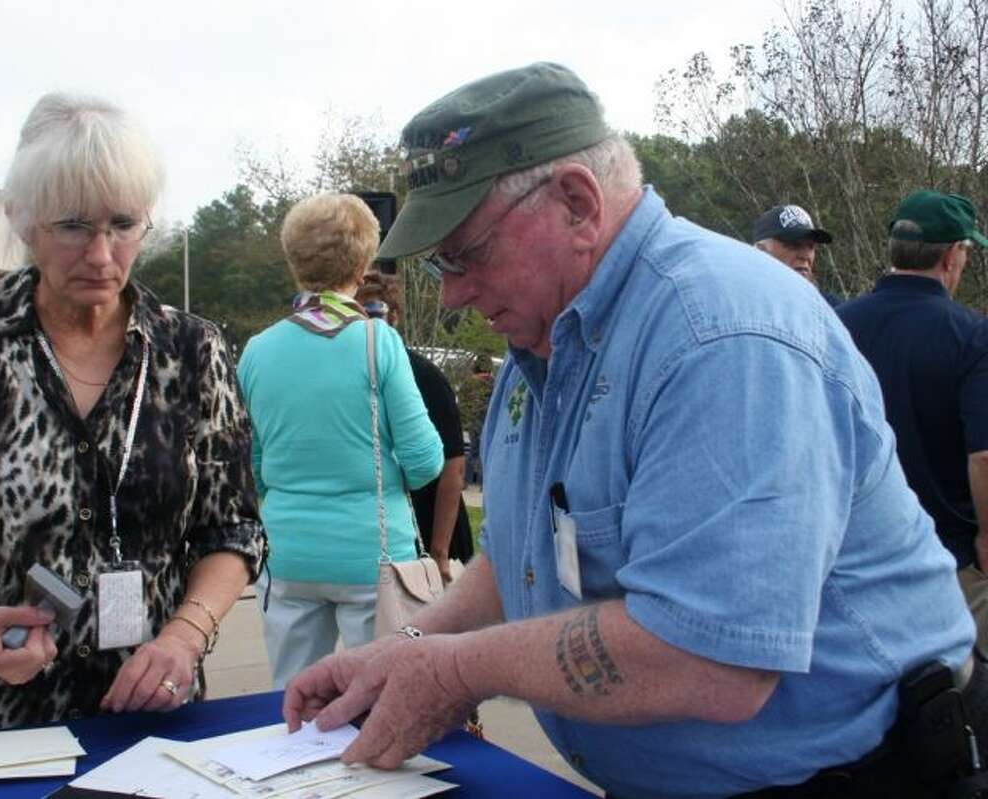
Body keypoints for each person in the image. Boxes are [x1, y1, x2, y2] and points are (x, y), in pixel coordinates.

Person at [283, 63, 978, 798]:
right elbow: (519, 551)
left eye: (467, 254)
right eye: (438, 268)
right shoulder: (547, 337)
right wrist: (406, 651)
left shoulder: (719, 335)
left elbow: (712, 658)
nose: (453, 294)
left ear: (578, 204)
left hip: (869, 778)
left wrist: (455, 671)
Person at [0, 92, 267, 732]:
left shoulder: (191, 351)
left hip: (152, 714)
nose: (102, 256)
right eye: (73, 226)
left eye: (123, 225)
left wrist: (185, 636)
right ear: (23, 218)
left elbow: (232, 529)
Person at [237, 193, 443, 689]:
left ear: (293, 259)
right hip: (372, 554)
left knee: (293, 701)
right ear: (364, 261)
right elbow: (424, 460)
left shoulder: (257, 351)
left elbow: (254, 464)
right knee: (383, 697)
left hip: (288, 551)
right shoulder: (379, 342)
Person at [837, 190, 988, 657]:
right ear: (950, 256)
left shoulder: (837, 323)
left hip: (855, 557)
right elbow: (983, 457)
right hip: (952, 559)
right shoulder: (971, 335)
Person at [356, 271, 473, 580]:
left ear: (394, 316)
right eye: (356, 313)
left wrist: (439, 552)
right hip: (386, 533)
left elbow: (454, 467)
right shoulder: (353, 374)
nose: (365, 323)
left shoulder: (424, 375)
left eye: (374, 312)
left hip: (433, 526)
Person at [752, 203, 842, 306]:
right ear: (761, 251)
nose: (806, 256)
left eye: (811, 246)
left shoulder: (830, 309)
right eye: (793, 245)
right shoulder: (741, 305)